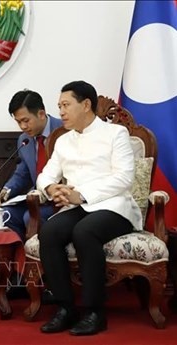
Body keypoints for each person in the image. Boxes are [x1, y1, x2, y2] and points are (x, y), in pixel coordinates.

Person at [37, 81, 142, 336]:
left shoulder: (115, 134)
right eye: (59, 106)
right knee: (49, 231)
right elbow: (45, 175)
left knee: (84, 232)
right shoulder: (63, 141)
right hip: (77, 206)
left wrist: (80, 194)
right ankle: (65, 307)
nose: (60, 112)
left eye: (66, 105)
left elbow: (124, 178)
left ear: (86, 105)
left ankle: (95, 312)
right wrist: (51, 189)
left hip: (114, 207)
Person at [0, 89, 62, 301]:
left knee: (29, 218)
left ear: (41, 114)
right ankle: (21, 277)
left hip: (62, 201)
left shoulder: (67, 131)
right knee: (5, 215)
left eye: (26, 120)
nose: (23, 127)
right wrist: (7, 190)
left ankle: (51, 282)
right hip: (36, 200)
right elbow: (23, 171)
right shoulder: (25, 139)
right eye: (18, 122)